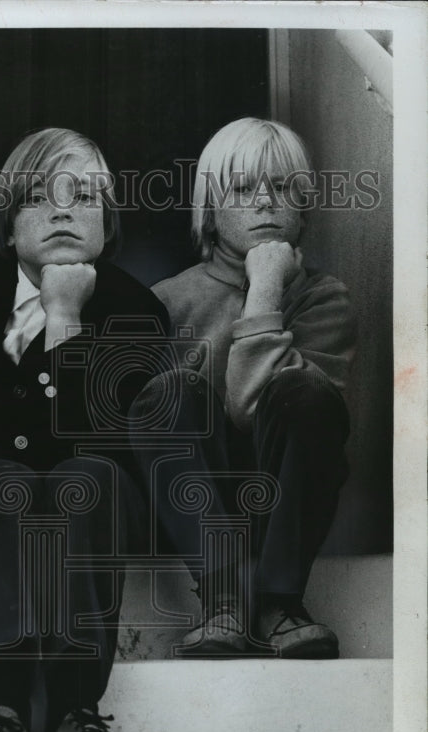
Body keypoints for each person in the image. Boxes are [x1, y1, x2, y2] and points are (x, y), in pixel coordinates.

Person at [0, 127, 171, 732]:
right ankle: (1, 716)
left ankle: (75, 716)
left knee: (87, 479)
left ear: (109, 224)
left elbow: (102, 440)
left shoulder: (134, 308)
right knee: (2, 480)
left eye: (83, 196)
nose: (63, 210)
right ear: (8, 227)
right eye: (39, 197)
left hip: (92, 497)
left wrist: (64, 320)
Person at [133, 117, 356, 658]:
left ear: (302, 210)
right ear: (209, 211)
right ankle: (222, 600)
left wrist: (266, 288)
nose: (265, 202)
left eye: (282, 188)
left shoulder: (323, 297)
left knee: (306, 393)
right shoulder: (165, 300)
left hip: (281, 511)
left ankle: (280, 602)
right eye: (242, 188)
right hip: (190, 514)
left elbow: (252, 404)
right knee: (167, 392)